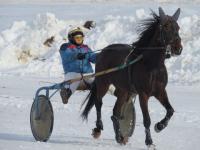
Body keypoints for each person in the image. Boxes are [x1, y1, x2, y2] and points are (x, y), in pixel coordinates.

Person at [59, 21, 96, 104]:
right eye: (77, 38)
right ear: (71, 38)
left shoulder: (86, 48)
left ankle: (117, 92)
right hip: (72, 75)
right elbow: (67, 55)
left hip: (87, 75)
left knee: (100, 79)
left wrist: (102, 56)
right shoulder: (65, 47)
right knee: (76, 76)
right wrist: (76, 55)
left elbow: (93, 57)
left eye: (81, 38)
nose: (79, 40)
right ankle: (66, 93)